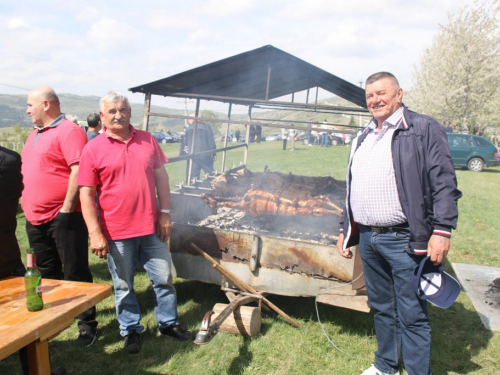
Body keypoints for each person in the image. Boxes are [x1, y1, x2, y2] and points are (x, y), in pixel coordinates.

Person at [337, 72, 462, 375]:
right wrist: (345, 227)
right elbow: (352, 184)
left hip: (405, 237)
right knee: (381, 307)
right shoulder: (364, 135)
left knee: (412, 312)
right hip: (369, 238)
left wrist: (442, 230)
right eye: (369, 96)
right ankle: (385, 365)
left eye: (381, 93)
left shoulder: (422, 128)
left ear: (399, 94)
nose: (375, 100)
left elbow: (443, 182)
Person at [77, 91, 194, 355]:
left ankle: (168, 324)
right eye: (112, 111)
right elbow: (86, 193)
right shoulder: (93, 148)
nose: (118, 115)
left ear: (130, 111)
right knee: (124, 284)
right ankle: (130, 330)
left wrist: (165, 212)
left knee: (164, 278)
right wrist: (95, 233)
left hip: (152, 226)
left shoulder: (147, 139)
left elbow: (161, 178)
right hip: (116, 231)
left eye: (123, 109)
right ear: (103, 116)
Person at [21, 86, 98, 347]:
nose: (27, 110)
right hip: (34, 218)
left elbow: (78, 171)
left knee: (75, 270)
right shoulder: (34, 135)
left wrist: (66, 208)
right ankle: (54, 318)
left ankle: (87, 324)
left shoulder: (69, 131)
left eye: (30, 105)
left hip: (62, 216)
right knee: (45, 271)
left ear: (45, 104)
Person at [179, 113, 217, 183]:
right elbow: (211, 142)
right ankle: (212, 188)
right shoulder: (206, 127)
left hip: (193, 156)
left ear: (194, 119)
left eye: (189, 118)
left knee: (193, 177)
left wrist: (183, 154)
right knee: (210, 174)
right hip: (205, 155)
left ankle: (193, 191)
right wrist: (214, 153)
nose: (188, 120)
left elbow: (185, 143)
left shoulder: (188, 129)